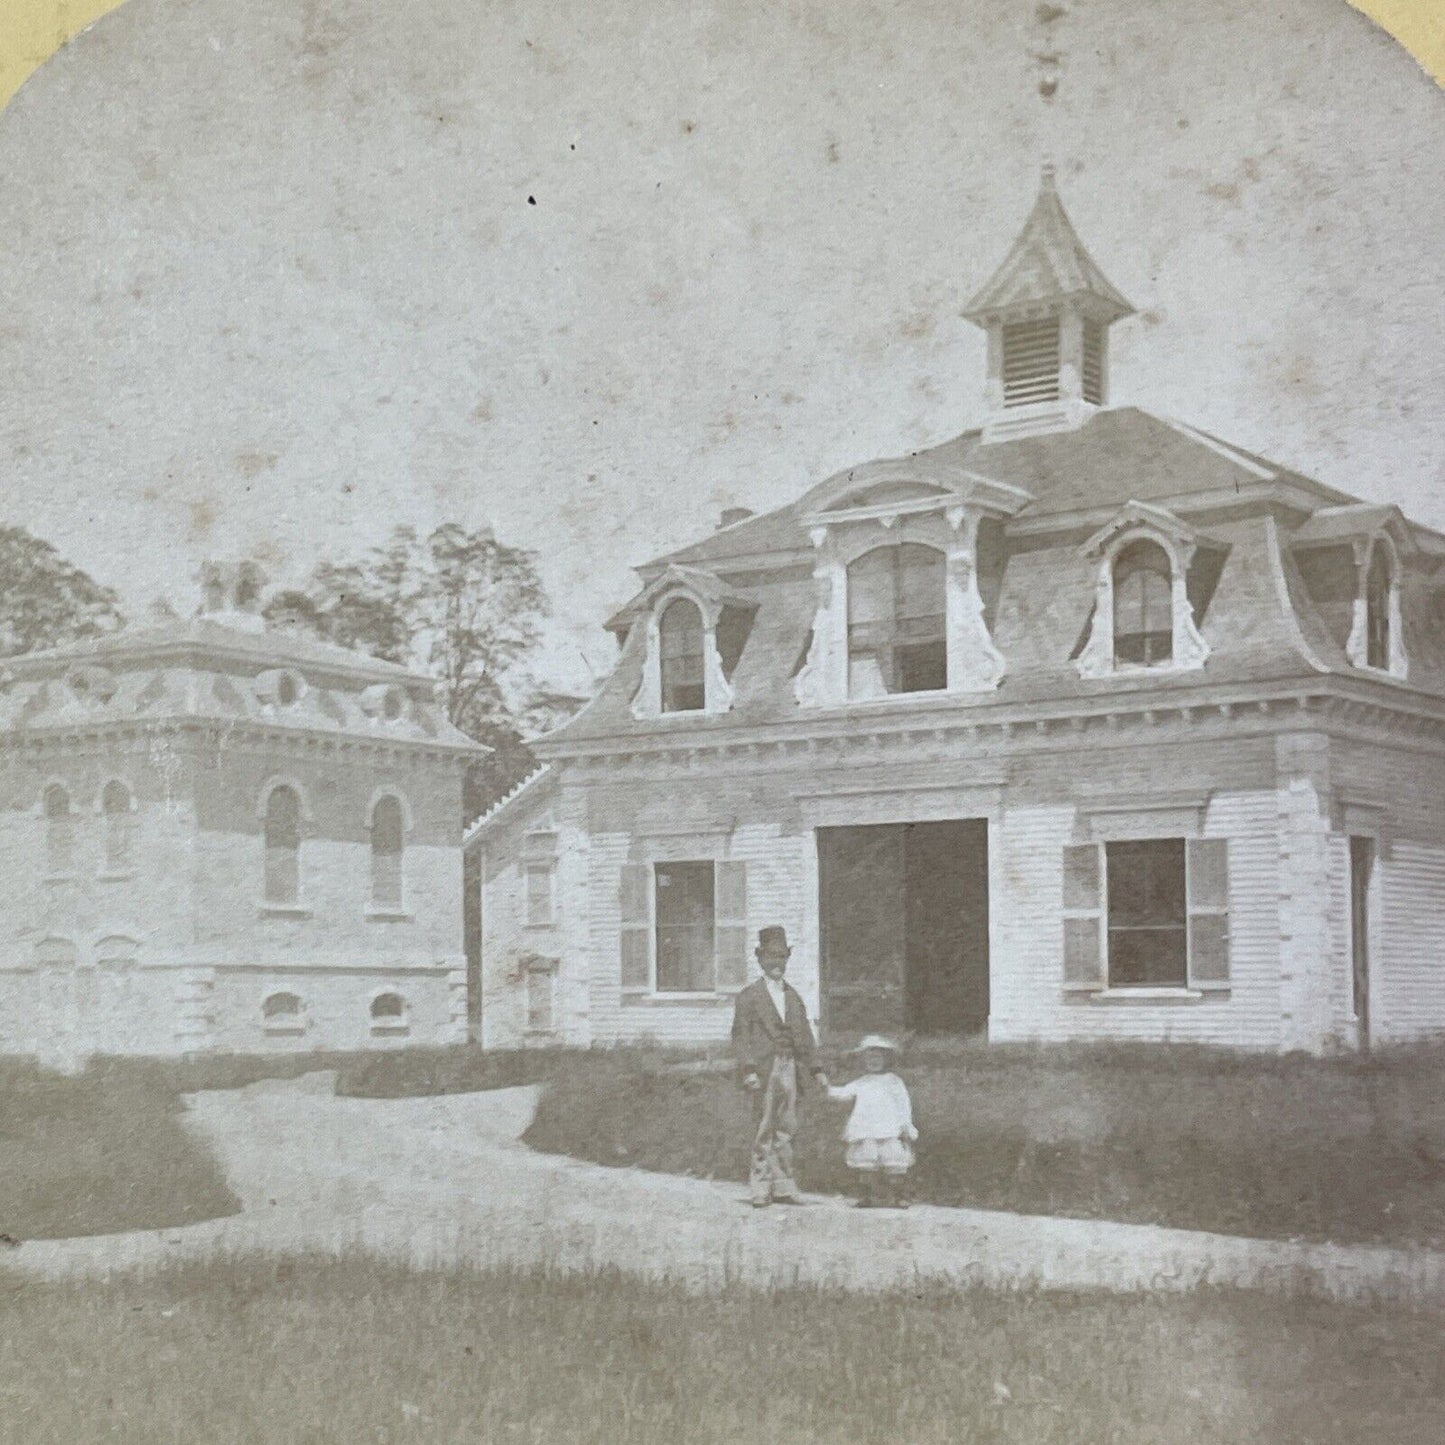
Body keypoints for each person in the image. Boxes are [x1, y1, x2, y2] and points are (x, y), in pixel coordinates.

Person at [730, 925, 828, 1207]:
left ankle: (784, 1184)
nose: (778, 963)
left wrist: (816, 1068)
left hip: (789, 1067)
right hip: (764, 1067)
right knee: (764, 1126)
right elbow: (741, 1036)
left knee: (787, 1126)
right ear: (760, 958)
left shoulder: (793, 997)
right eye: (772, 956)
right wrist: (748, 1069)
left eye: (783, 956)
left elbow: (805, 1037)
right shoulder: (749, 996)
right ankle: (760, 1186)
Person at [824, 1035, 917, 1208]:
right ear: (863, 1061)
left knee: (894, 1164)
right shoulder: (861, 1083)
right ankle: (867, 1196)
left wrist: (906, 1124)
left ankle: (899, 1196)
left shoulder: (894, 1082)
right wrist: (825, 1086)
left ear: (886, 1059)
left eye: (877, 1057)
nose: (873, 1061)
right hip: (866, 1127)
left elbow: (904, 1104)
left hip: (889, 1127)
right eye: (869, 1058)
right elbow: (843, 1093)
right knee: (866, 1164)